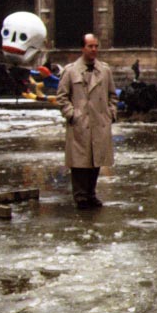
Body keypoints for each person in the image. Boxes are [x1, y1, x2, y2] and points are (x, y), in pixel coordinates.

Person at [56, 33, 118, 209]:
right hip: (80, 124)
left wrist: (111, 113)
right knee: (79, 163)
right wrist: (72, 115)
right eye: (90, 46)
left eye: (96, 46)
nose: (94, 50)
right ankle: (81, 197)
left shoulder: (105, 70)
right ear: (83, 48)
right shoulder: (70, 71)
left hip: (99, 122)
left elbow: (113, 95)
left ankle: (91, 194)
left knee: (96, 160)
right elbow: (61, 97)